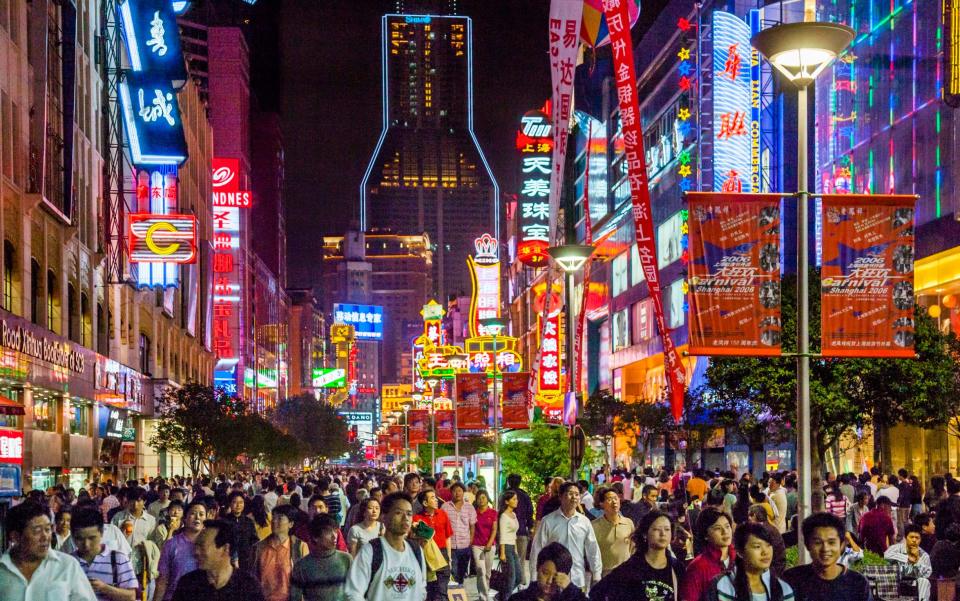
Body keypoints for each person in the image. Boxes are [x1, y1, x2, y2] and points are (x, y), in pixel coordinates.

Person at [0, 501, 97, 600]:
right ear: (15, 537)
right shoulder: (2, 571)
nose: (45, 537)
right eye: (37, 531)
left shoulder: (68, 566)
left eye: (48, 529)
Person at [344, 492, 427, 601]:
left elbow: (421, 588)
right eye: (398, 513)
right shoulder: (371, 551)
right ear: (383, 517)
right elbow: (353, 593)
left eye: (409, 514)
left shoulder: (416, 551)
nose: (405, 518)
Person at [589, 510, 686, 601]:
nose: (663, 534)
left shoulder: (677, 568)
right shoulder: (631, 567)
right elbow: (597, 593)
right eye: (656, 529)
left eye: (667, 529)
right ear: (645, 534)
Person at [783, 512, 873, 601]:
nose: (825, 549)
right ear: (807, 545)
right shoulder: (792, 579)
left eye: (831, 542)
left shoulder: (858, 583)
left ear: (842, 545)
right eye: (818, 542)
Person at [530, 481, 602, 589]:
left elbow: (593, 549)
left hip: (577, 580)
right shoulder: (548, 521)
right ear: (561, 496)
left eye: (577, 494)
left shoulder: (584, 522)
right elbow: (537, 549)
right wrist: (534, 579)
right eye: (570, 494)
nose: (574, 497)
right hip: (553, 582)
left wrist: (596, 575)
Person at [170, 519, 265, 599]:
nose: (196, 552)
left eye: (202, 547)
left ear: (225, 549)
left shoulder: (248, 587)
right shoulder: (188, 584)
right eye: (196, 546)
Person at [708, 521, 795, 601]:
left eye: (768, 545)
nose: (765, 552)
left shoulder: (784, 589)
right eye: (757, 546)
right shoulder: (722, 586)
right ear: (740, 552)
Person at [71, 507, 139, 601]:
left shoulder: (118, 559)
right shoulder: (68, 562)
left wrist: (104, 588)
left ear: (102, 533)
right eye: (80, 539)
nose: (86, 545)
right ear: (72, 536)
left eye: (92, 538)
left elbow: (131, 596)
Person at [254, 504, 310, 601]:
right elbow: (253, 579)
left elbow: (306, 581)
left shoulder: (300, 547)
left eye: (280, 518)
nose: (274, 521)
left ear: (291, 524)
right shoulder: (258, 548)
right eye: (273, 517)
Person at [291, 514, 352, 601]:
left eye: (335, 531)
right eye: (328, 532)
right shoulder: (302, 566)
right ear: (315, 537)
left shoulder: (346, 559)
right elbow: (295, 597)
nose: (334, 536)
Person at [155, 500, 207, 601]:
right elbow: (163, 580)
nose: (197, 517)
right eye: (193, 513)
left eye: (201, 514)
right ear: (185, 519)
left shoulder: (210, 546)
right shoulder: (172, 544)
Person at [680, 507, 735, 601]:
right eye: (718, 528)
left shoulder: (741, 558)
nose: (725, 532)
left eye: (727, 526)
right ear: (705, 535)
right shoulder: (697, 567)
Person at [508, 542, 587, 601]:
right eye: (545, 573)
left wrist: (570, 588)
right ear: (537, 567)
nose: (549, 581)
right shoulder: (518, 599)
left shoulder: (567, 599)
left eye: (556, 576)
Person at [412, 489, 452, 601]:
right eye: (433, 497)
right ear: (425, 503)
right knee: (430, 590)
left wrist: (449, 558)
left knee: (442, 589)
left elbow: (448, 537)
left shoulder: (443, 514)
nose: (436, 500)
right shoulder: (417, 519)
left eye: (436, 497)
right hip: (426, 557)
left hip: (442, 553)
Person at [591, 487, 635, 578]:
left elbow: (633, 547)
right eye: (609, 499)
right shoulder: (594, 525)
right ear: (601, 504)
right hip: (604, 573)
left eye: (616, 498)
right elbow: (591, 552)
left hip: (626, 572)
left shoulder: (628, 523)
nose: (614, 502)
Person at [883, 524, 932, 601]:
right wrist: (906, 558)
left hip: (914, 584)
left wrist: (916, 560)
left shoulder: (924, 555)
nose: (914, 540)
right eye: (911, 537)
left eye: (917, 538)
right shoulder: (896, 548)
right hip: (896, 583)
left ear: (920, 539)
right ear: (906, 538)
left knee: (924, 581)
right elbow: (886, 555)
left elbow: (926, 574)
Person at [440, 482, 476, 586]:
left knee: (461, 573)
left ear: (463, 492)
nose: (457, 493)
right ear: (451, 492)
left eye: (460, 490)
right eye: (455, 491)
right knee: (453, 572)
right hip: (451, 547)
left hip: (465, 545)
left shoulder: (469, 507)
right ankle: (454, 592)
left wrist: (471, 540)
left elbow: (472, 525)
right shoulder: (445, 507)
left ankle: (459, 590)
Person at [505, 474, 535, 587]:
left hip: (507, 533)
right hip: (522, 532)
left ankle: (511, 582)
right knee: (520, 559)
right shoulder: (525, 496)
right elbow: (530, 513)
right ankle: (521, 581)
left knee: (509, 560)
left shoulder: (504, 495)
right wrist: (530, 527)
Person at [222, 491, 259, 573]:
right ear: (230, 504)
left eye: (241, 502)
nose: (238, 505)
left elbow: (254, 540)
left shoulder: (248, 521)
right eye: (235, 502)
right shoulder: (224, 521)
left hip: (246, 561)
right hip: (228, 562)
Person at [471, 490, 498, 601]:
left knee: (487, 573)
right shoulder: (474, 513)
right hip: (477, 546)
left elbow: (494, 529)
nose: (481, 500)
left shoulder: (493, 512)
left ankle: (483, 595)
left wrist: (489, 543)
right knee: (480, 570)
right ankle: (484, 597)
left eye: (483, 497)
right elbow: (472, 529)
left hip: (490, 546)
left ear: (487, 498)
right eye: (479, 498)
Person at [500, 490, 523, 596]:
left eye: (516, 499)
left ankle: (501, 596)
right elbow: (503, 535)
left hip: (513, 547)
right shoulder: (504, 516)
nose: (516, 501)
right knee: (511, 577)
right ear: (507, 501)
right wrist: (502, 553)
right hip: (506, 548)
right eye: (514, 499)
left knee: (519, 577)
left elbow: (513, 534)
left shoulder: (513, 514)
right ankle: (505, 597)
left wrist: (516, 550)